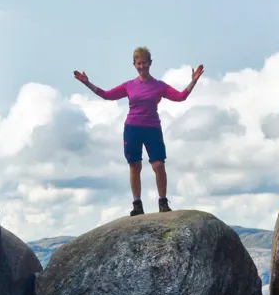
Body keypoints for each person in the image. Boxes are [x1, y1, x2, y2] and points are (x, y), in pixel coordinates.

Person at [74, 47, 203, 216]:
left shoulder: (159, 86)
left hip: (152, 128)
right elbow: (106, 95)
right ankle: (137, 204)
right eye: (138, 63)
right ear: (134, 64)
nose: (142, 66)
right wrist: (87, 83)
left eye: (144, 63)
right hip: (132, 127)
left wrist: (193, 81)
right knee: (135, 166)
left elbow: (180, 97)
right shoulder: (129, 86)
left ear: (150, 63)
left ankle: (163, 201)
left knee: (158, 164)